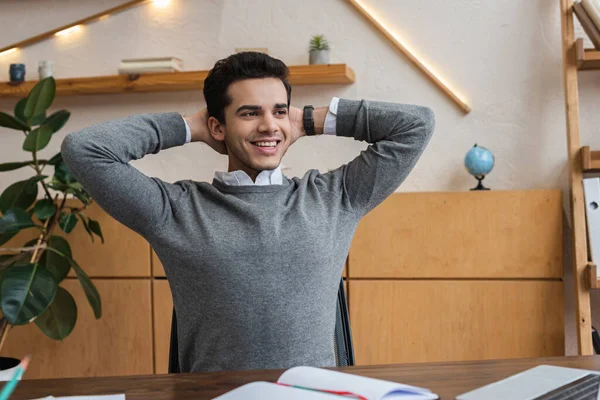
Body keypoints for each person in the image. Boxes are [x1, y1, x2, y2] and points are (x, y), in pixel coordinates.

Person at [61, 51, 435, 373]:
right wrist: (190, 127)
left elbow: (416, 125)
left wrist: (306, 119)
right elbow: (84, 149)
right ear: (217, 126)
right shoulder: (174, 210)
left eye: (278, 111)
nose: (269, 125)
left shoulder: (335, 196)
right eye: (249, 113)